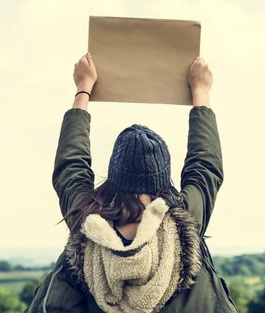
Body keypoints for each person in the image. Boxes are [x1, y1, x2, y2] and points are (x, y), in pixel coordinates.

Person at [25, 53, 237, 313]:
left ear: (114, 177)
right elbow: (205, 165)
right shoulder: (185, 218)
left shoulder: (86, 220)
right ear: (163, 176)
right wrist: (201, 91)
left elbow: (71, 166)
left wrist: (83, 89)